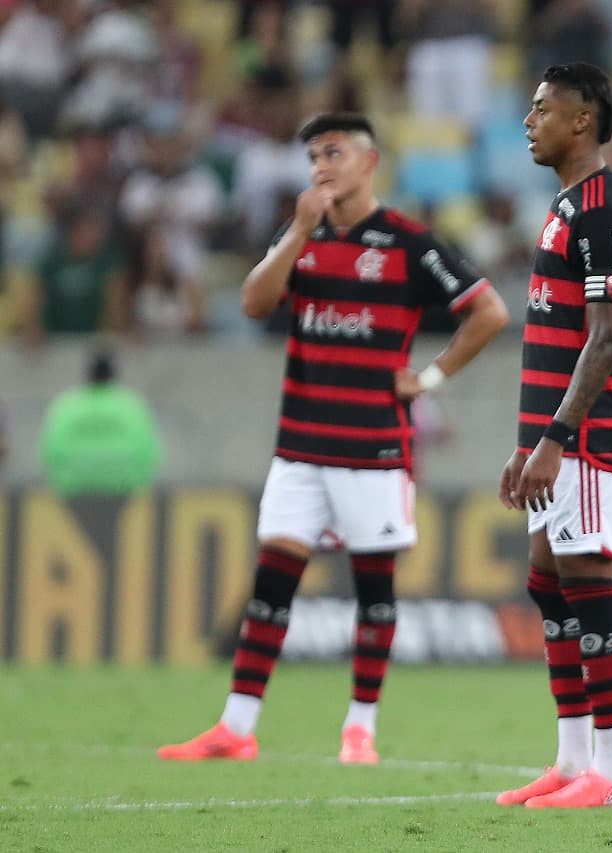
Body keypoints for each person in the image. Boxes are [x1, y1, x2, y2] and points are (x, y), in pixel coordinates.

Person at [157, 112, 509, 764]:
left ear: (369, 162)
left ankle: (360, 727)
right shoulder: (301, 239)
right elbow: (255, 303)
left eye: (335, 152)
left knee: (373, 591)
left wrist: (429, 377)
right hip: (300, 445)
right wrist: (296, 230)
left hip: (373, 449)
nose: (321, 165)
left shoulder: (408, 243)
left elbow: (488, 311)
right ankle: (236, 727)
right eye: (315, 154)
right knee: (272, 583)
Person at [496, 63, 612, 809]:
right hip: (556, 433)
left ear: (581, 120)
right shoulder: (567, 205)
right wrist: (530, 440)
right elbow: (557, 335)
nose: (530, 121)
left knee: (587, 580)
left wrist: (556, 436)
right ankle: (571, 759)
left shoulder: (602, 209)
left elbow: (607, 336)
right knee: (547, 578)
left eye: (541, 109)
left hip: (591, 431)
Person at [37, 348, 163, 497]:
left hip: (73, 490)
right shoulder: (131, 404)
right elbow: (150, 454)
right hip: (123, 490)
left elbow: (49, 454)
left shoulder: (66, 404)